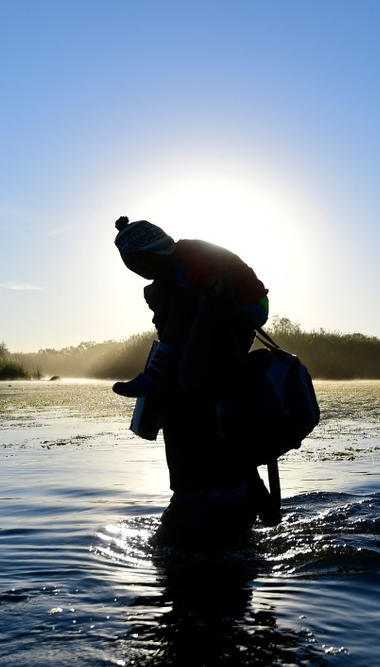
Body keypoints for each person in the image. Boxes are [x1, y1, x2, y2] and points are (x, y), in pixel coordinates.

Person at [112, 216, 275, 548]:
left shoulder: (193, 257)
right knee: (173, 315)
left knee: (191, 355)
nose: (140, 273)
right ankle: (159, 379)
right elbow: (169, 325)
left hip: (246, 310)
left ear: (152, 254)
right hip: (208, 323)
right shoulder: (163, 284)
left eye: (141, 265)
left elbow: (219, 297)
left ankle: (159, 379)